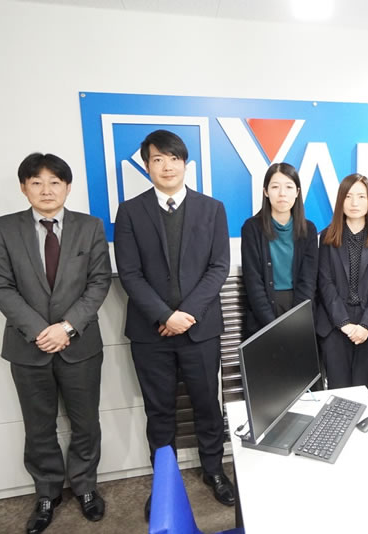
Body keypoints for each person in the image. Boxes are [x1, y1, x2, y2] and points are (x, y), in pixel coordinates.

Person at [0, 153, 111, 534]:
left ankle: (85, 487)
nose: (46, 190)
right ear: (24, 188)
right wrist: (42, 330)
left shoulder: (90, 227)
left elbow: (99, 281)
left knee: (86, 422)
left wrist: (67, 327)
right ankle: (47, 492)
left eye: (55, 182)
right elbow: (0, 284)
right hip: (29, 346)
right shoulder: (3, 228)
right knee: (38, 426)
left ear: (67, 187)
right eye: (37, 182)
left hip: (80, 345)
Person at [113, 130, 234, 519]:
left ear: (185, 164)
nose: (167, 166)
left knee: (207, 405)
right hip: (151, 333)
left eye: (174, 159)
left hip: (201, 330)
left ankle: (214, 470)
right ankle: (164, 482)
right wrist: (165, 316)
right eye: (158, 159)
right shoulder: (130, 212)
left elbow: (218, 267)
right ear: (147, 166)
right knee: (159, 411)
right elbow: (129, 273)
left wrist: (186, 315)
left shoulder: (212, 209)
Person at [316, 173, 368, 392]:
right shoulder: (327, 236)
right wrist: (343, 323)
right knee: (338, 389)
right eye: (348, 196)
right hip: (335, 321)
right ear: (341, 200)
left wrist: (366, 325)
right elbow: (325, 283)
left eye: (361, 197)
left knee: (363, 389)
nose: (354, 203)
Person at [241, 162, 318, 338]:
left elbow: (308, 281)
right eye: (275, 187)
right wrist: (273, 326)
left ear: (297, 192)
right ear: (266, 191)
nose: (282, 193)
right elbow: (253, 281)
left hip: (300, 310)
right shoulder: (251, 228)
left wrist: (296, 319)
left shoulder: (309, 230)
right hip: (263, 312)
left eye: (289, 187)